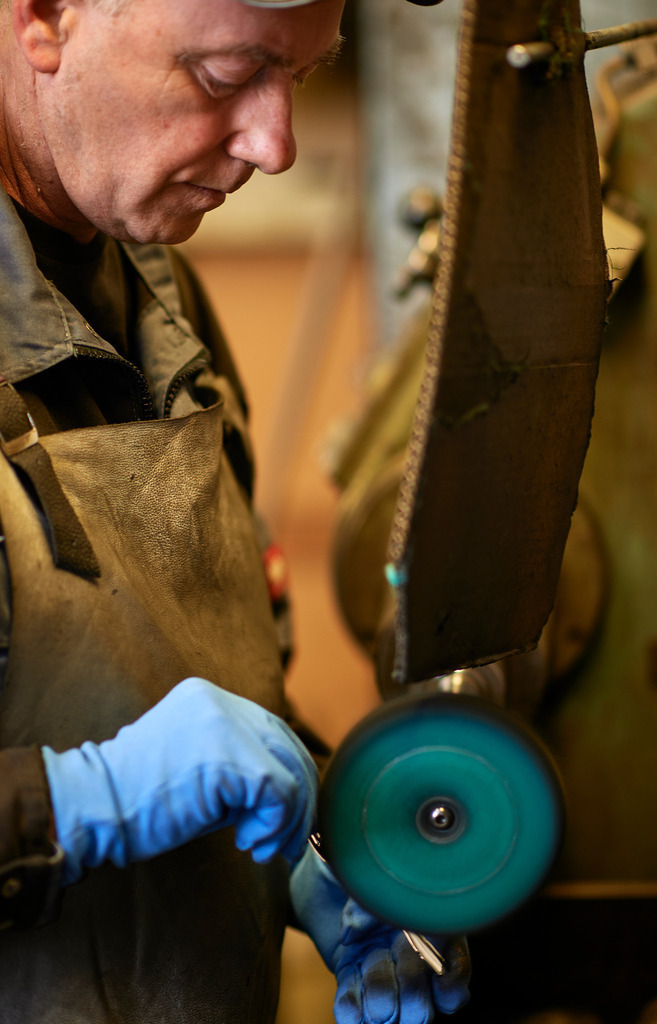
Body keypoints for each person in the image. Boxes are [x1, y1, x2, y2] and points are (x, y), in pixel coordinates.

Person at [0, 0, 471, 1020]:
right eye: (223, 75)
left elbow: (216, 709)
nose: (274, 144)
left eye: (299, 77)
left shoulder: (163, 300)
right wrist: (85, 802)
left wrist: (335, 846)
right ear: (43, 17)